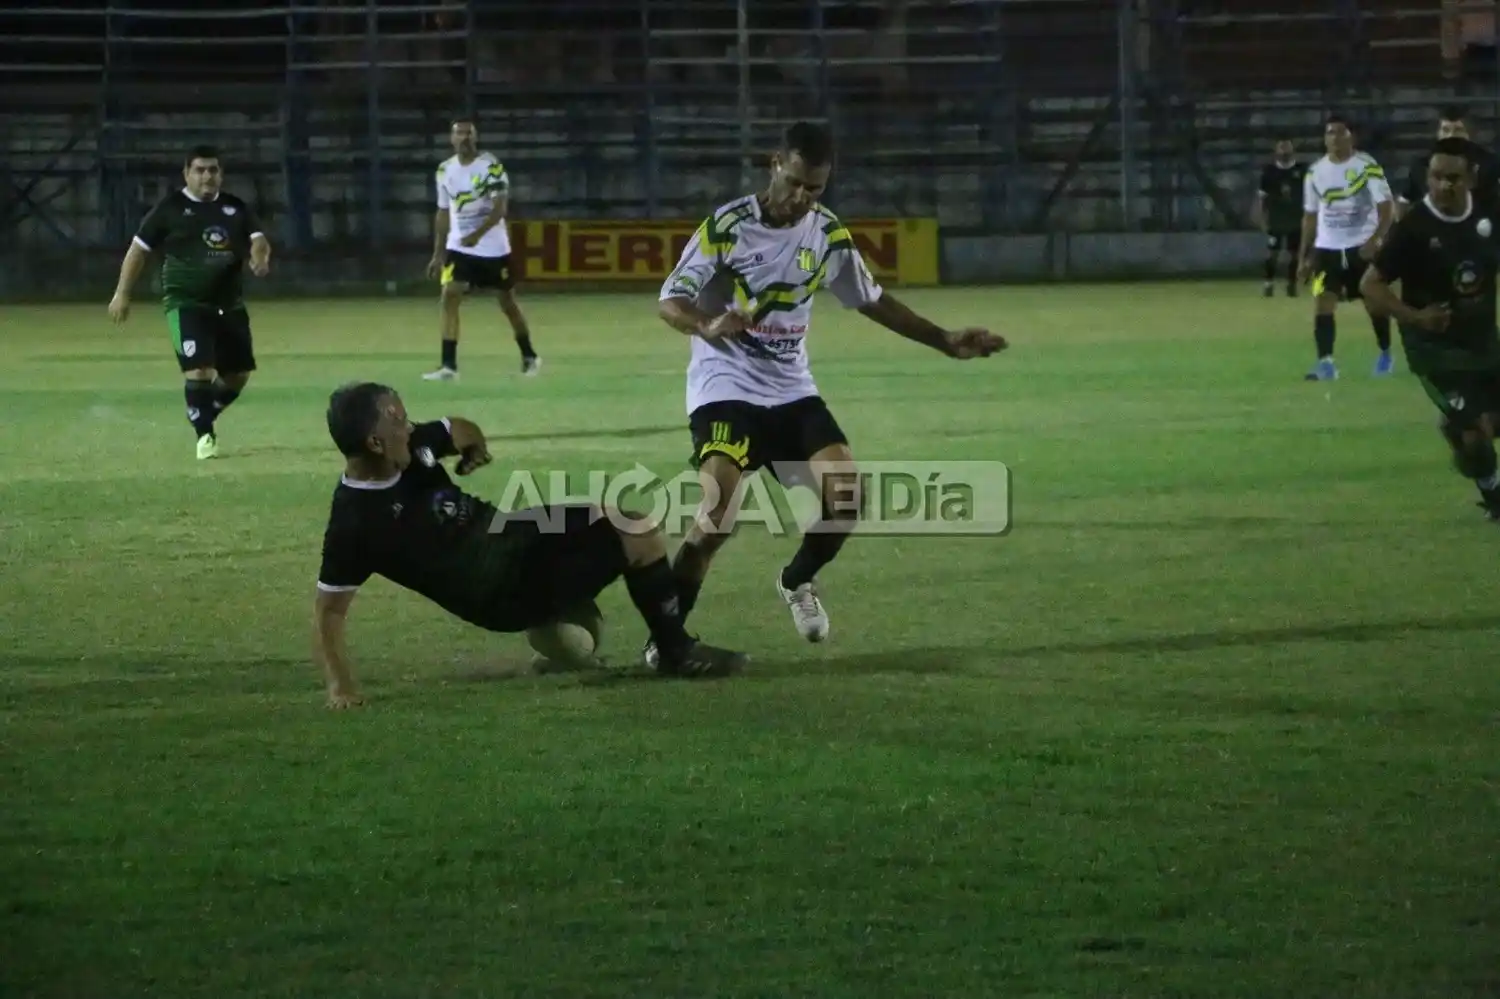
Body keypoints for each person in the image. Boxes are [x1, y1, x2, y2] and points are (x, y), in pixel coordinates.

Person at [644, 121, 1006, 669]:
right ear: (774, 165)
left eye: (815, 189)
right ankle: (667, 644)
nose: (802, 198)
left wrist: (945, 340)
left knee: (848, 499)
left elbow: (871, 299)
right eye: (795, 183)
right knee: (716, 517)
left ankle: (796, 580)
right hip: (727, 387)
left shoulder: (827, 233)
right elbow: (671, 300)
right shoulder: (728, 225)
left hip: (791, 390)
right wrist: (709, 324)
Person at [312, 382, 746, 708]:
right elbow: (329, 611)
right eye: (398, 421)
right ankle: (674, 651)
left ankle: (609, 631)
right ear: (374, 443)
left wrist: (472, 448)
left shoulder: (411, 448)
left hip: (514, 533)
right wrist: (340, 685)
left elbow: (457, 427)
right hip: (499, 591)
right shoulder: (356, 522)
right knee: (635, 536)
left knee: (629, 521)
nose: (409, 427)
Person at [1361, 137, 1500, 521]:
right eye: (1435, 177)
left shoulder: (1489, 214)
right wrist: (1415, 317)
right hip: (1434, 349)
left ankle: (1458, 429)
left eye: (1452, 178)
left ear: (1471, 178)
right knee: (1476, 435)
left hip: (1483, 339)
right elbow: (1370, 284)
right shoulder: (1414, 229)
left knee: (1485, 425)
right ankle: (1494, 495)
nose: (1442, 186)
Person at [108, 144, 271, 460]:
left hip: (229, 304)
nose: (207, 176)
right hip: (186, 304)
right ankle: (205, 436)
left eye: (213, 170)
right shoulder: (169, 209)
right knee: (199, 370)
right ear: (186, 174)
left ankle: (202, 410)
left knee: (238, 375)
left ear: (221, 174)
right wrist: (122, 294)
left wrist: (259, 258)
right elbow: (138, 250)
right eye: (200, 170)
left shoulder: (235, 208)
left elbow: (259, 240)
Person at [424, 117, 540, 381]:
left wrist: (476, 235)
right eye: (459, 133)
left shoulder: (491, 167)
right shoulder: (444, 170)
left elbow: (500, 208)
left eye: (468, 133)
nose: (464, 138)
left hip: (492, 249)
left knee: (507, 302)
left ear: (475, 138)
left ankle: (529, 355)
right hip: (458, 248)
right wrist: (438, 253)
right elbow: (443, 212)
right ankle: (448, 366)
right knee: (449, 295)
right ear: (451, 139)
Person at [1297, 115, 1396, 381]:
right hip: (1326, 249)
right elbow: (1309, 216)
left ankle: (1386, 353)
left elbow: (1386, 207)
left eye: (1340, 132)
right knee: (1322, 302)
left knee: (1373, 302)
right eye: (1329, 133)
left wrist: (1375, 240)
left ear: (1351, 136)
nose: (1334, 138)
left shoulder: (1366, 166)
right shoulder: (1315, 172)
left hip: (1360, 247)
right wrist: (1304, 256)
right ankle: (1326, 363)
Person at [1397, 106, 1500, 220]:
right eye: (1445, 130)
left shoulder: (1491, 164)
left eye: (1458, 130)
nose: (1451, 136)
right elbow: (1405, 200)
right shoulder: (1421, 165)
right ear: (1438, 134)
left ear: (1471, 134)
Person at [1254, 139, 1308, 298]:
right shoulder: (1269, 172)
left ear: (1293, 150)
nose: (1284, 151)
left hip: (1296, 219)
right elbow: (1261, 198)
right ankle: (1268, 283)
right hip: (1275, 220)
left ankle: (1291, 284)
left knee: (1295, 254)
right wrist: (1262, 218)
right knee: (1272, 254)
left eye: (1287, 148)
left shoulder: (1302, 170)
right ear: (1276, 151)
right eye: (1281, 148)